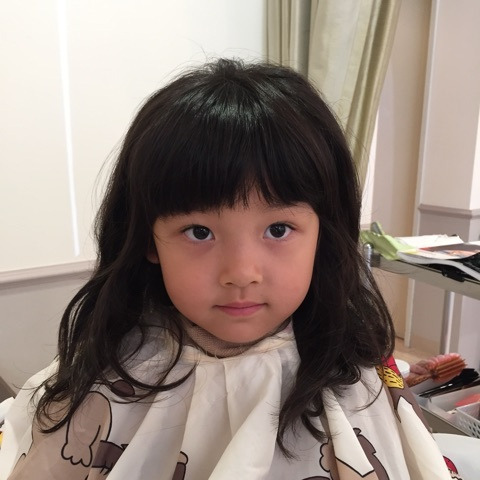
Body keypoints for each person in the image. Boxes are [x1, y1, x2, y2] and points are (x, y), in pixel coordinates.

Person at [0, 59, 455, 479]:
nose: (241, 273)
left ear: (323, 233)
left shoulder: (351, 352)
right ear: (148, 240)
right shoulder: (113, 366)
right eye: (199, 232)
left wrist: (401, 378)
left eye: (278, 229)